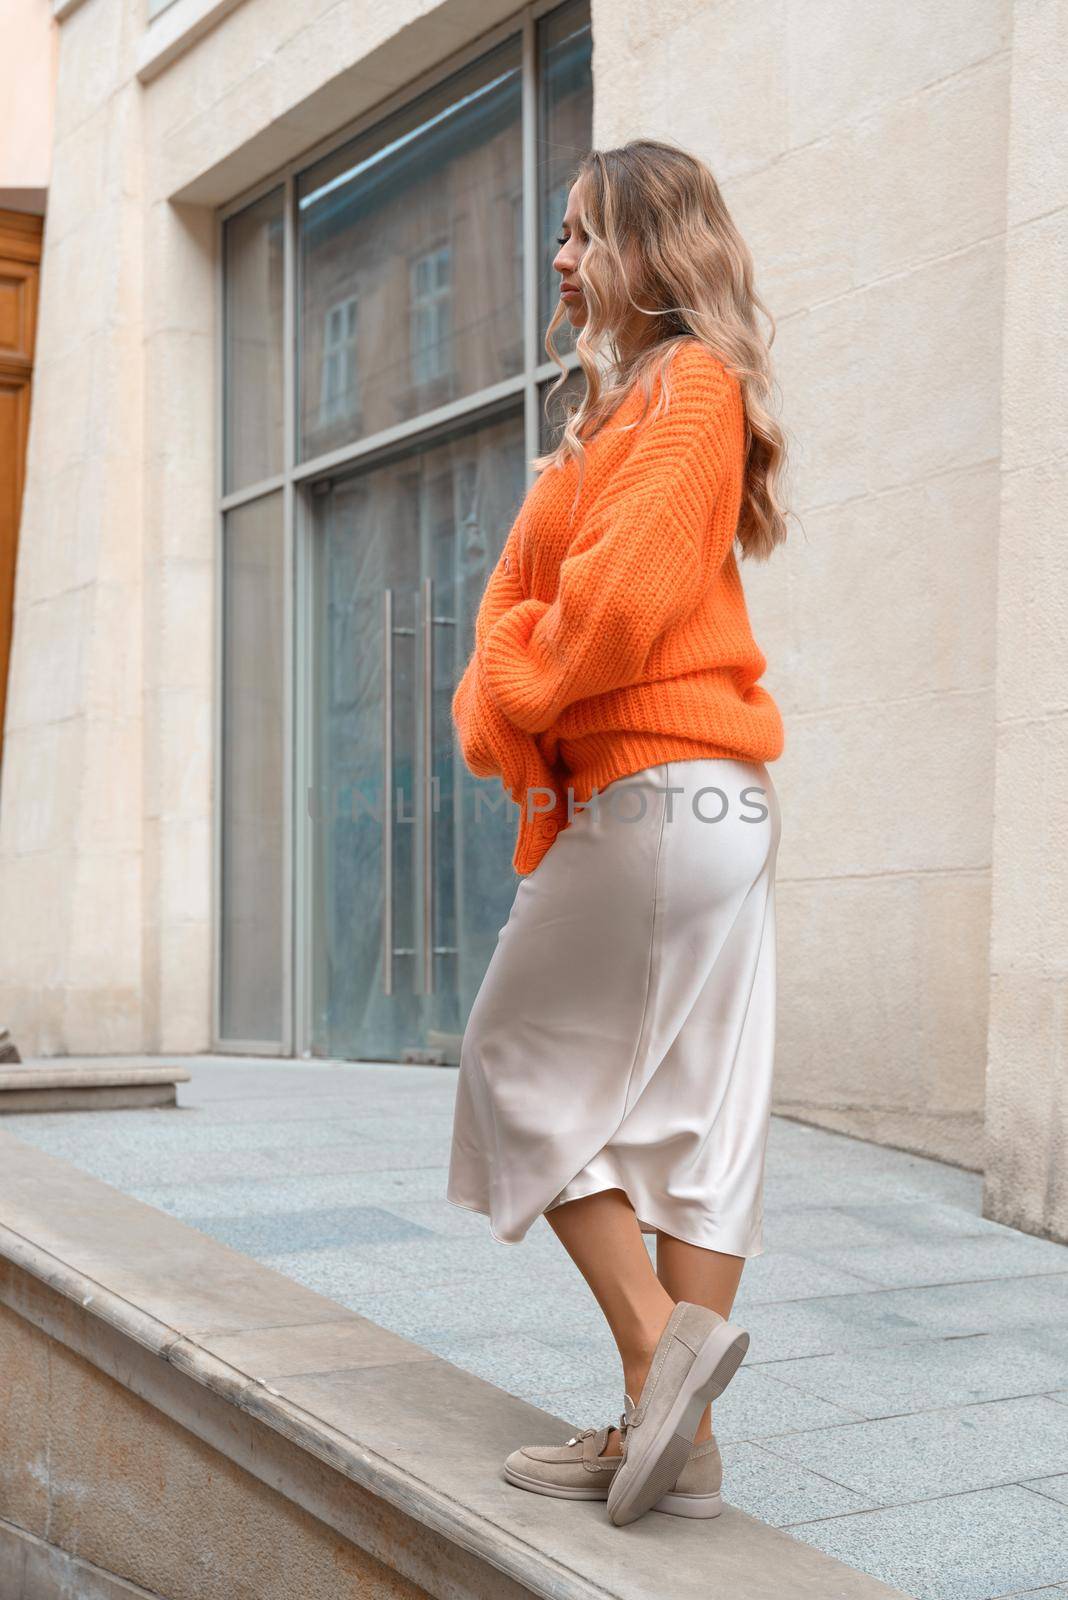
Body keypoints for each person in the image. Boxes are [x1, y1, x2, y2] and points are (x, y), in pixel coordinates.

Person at [446, 138, 790, 1528]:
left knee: (513, 1063)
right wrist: (521, 637)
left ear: (653, 249)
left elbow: (590, 620)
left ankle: (660, 1362)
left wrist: (513, 655)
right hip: (703, 804)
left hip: (657, 795)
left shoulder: (687, 392)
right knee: (689, 1120)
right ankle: (679, 1447)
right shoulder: (624, 413)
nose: (560, 258)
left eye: (583, 233)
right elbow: (535, 625)